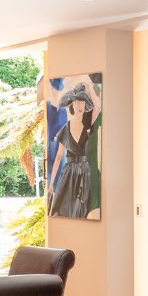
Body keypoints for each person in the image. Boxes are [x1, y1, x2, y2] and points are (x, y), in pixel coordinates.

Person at [47, 79, 100, 219]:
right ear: (72, 105)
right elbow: (58, 157)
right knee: (62, 210)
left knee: (80, 210)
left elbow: (98, 107)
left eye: (82, 102)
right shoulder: (65, 129)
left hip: (83, 171)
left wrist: (90, 88)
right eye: (76, 102)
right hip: (68, 172)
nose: (79, 105)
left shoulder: (88, 126)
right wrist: (51, 183)